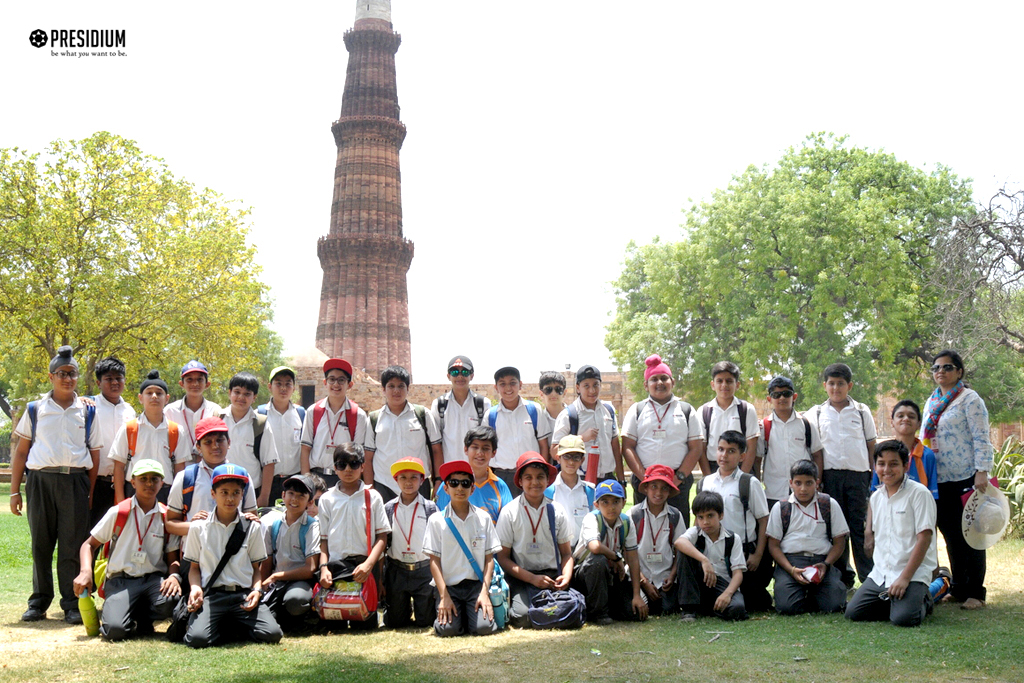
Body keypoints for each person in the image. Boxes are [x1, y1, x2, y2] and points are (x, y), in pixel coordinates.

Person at [11, 345, 101, 624]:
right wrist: (14, 491)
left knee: (72, 545)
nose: (67, 378)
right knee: (41, 543)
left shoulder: (87, 411)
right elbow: (21, 452)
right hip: (41, 481)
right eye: (62, 373)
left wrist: (89, 491)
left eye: (72, 373)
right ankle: (38, 601)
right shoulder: (35, 409)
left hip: (75, 480)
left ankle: (72, 603)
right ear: (51, 377)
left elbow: (94, 454)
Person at [73, 459, 179, 640]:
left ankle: (143, 617)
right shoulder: (119, 512)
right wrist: (85, 572)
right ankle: (122, 613)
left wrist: (174, 576)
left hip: (153, 580)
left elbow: (172, 558)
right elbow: (89, 545)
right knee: (115, 631)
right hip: (121, 580)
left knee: (171, 600)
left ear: (162, 483)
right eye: (143, 478)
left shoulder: (166, 516)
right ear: (133, 482)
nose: (149, 483)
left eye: (154, 479)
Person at [920, 350, 993, 610]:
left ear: (959, 371)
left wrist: (981, 470)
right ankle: (959, 587)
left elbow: (981, 437)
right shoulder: (932, 401)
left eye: (947, 367)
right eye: (936, 368)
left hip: (966, 477)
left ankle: (976, 592)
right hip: (939, 479)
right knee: (950, 534)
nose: (941, 371)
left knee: (972, 534)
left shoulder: (970, 399)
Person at [182, 463, 282, 647]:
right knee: (197, 639)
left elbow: (256, 569)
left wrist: (256, 590)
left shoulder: (252, 526)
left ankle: (227, 625)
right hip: (213, 595)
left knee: (272, 634)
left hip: (242, 595)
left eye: (236, 492)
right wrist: (196, 588)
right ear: (213, 494)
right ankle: (225, 625)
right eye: (224, 492)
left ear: (242, 495)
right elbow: (194, 568)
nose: (230, 498)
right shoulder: (198, 527)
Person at [845, 441, 937, 627]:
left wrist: (904, 578)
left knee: (904, 619)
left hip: (912, 573)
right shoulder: (876, 497)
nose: (886, 469)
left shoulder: (919, 494)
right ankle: (898, 602)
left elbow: (924, 538)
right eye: (881, 464)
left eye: (893, 464)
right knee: (853, 613)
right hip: (882, 573)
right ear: (875, 467)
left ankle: (924, 598)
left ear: (905, 466)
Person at [804, 363, 877, 588]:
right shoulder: (816, 413)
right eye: (832, 384)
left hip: (858, 476)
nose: (836, 388)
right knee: (836, 529)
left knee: (859, 527)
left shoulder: (862, 412)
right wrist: (818, 480)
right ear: (825, 385)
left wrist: (874, 477)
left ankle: (869, 578)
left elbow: (871, 445)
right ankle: (842, 579)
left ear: (849, 386)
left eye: (841, 384)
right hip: (830, 477)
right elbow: (814, 450)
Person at [621, 354, 703, 526]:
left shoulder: (686, 410)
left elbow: (696, 448)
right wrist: (645, 478)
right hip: (644, 483)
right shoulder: (637, 410)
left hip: (677, 483)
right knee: (642, 528)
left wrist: (678, 477)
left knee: (678, 528)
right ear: (646, 385)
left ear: (672, 382)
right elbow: (628, 447)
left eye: (664, 378)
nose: (659, 382)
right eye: (654, 379)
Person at [423, 460, 502, 637]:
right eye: (454, 483)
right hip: (449, 586)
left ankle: (470, 617)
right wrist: (443, 596)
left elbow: (489, 559)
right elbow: (434, 561)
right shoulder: (436, 520)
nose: (460, 488)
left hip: (476, 585)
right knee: (448, 630)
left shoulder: (483, 518)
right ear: (446, 488)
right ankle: (458, 617)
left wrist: (485, 592)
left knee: (484, 628)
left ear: (472, 489)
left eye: (465, 483)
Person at [495, 452, 575, 628]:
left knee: (570, 607)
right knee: (521, 617)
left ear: (547, 480)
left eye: (540, 477)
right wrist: (532, 578)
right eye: (528, 477)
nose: (535, 482)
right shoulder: (510, 512)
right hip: (523, 577)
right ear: (520, 481)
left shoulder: (557, 510)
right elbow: (503, 558)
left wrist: (566, 576)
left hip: (553, 577)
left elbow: (566, 554)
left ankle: (550, 613)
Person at [317, 442, 390, 630]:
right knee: (336, 626)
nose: (348, 469)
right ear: (335, 468)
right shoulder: (327, 499)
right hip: (336, 569)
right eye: (342, 465)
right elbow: (323, 540)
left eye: (354, 464)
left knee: (365, 626)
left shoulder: (373, 497)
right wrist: (324, 568)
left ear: (363, 466)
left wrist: (369, 565)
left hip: (364, 568)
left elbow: (382, 536)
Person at [697, 430, 772, 612]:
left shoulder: (748, 483)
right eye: (721, 449)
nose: (724, 455)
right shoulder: (705, 483)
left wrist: (758, 554)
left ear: (742, 456)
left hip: (743, 554)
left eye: (731, 451)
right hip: (712, 551)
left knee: (755, 604)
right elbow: (698, 519)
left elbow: (764, 520)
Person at [766, 460, 850, 615]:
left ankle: (815, 594)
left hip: (822, 561)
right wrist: (791, 570)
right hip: (791, 562)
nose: (803, 489)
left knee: (834, 606)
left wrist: (826, 564)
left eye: (809, 483)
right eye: (798, 483)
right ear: (791, 483)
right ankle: (803, 593)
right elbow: (773, 545)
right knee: (787, 607)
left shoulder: (829, 504)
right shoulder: (781, 508)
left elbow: (839, 542)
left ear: (817, 483)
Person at [165, 417, 259, 536]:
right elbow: (170, 524)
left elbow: (251, 518)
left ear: (229, 442)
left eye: (220, 440)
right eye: (208, 442)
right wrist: (198, 527)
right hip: (196, 546)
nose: (215, 446)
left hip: (233, 546)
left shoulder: (242, 477)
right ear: (198, 447)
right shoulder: (185, 477)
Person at [572, 480, 648, 624]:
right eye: (605, 502)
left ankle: (607, 607)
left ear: (623, 503)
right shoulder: (592, 518)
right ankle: (598, 613)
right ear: (596, 505)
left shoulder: (626, 522)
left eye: (616, 502)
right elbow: (595, 547)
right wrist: (616, 558)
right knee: (598, 560)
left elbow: (633, 559)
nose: (611, 507)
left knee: (635, 614)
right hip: (585, 575)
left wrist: (636, 595)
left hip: (611, 574)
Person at [108, 370, 189, 505]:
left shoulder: (176, 431)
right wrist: (121, 502)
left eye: (159, 393)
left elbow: (179, 470)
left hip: (165, 492)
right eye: (149, 393)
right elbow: (119, 467)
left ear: (167, 398)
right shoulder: (129, 429)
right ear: (141, 398)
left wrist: (177, 502)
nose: (154, 396)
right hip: (133, 491)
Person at [365, 365, 442, 503]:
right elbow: (368, 458)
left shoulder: (422, 415)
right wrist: (369, 489)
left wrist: (438, 480)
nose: (396, 391)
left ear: (408, 389)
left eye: (401, 386)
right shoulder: (374, 419)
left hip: (418, 484)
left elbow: (436, 450)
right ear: (383, 389)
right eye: (391, 386)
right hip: (385, 486)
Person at [258, 474, 320, 632]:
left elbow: (310, 569)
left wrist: (276, 576)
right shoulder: (273, 524)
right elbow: (266, 562)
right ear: (283, 495)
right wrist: (260, 589)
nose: (294, 499)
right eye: (291, 493)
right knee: (261, 613)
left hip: (300, 582)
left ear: (310, 502)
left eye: (301, 496)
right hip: (277, 583)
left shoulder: (312, 526)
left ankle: (302, 618)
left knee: (296, 600)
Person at [674, 491, 747, 622]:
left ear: (721, 515)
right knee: (684, 551)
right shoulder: (695, 533)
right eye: (700, 517)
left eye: (710, 516)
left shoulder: (732, 539)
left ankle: (706, 607)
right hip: (699, 581)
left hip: (722, 584)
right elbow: (679, 542)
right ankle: (689, 609)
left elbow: (738, 574)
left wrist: (727, 594)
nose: (705, 522)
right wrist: (704, 560)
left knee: (737, 609)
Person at [383, 457, 438, 628]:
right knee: (395, 623)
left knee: (426, 622)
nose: (408, 482)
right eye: (403, 477)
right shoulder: (389, 508)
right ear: (396, 480)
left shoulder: (430, 508)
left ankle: (421, 608)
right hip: (397, 570)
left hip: (423, 571)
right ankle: (401, 608)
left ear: (422, 480)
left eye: (414, 477)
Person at [300, 357, 368, 489]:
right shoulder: (313, 411)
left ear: (350, 385)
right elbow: (305, 448)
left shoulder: (358, 415)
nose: (336, 384)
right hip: (316, 478)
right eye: (332, 379)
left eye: (341, 380)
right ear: (325, 382)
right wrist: (307, 482)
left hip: (345, 479)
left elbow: (358, 453)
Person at [757, 375, 823, 510]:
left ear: (794, 396)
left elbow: (817, 455)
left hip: (803, 492)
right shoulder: (764, 427)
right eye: (776, 395)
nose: (782, 398)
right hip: (774, 491)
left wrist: (816, 483)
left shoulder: (806, 424)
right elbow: (757, 459)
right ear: (769, 399)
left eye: (786, 394)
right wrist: (758, 486)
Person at [550, 365, 624, 485]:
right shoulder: (569, 414)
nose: (592, 390)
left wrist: (621, 480)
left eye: (595, 385)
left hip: (607, 479)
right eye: (586, 386)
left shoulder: (608, 410)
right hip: (580, 480)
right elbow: (554, 452)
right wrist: (581, 438)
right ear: (578, 388)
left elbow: (615, 447)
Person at [488, 367, 553, 496]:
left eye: (513, 383)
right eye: (502, 384)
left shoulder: (534, 410)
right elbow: (487, 449)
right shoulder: (490, 416)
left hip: (531, 474)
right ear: (496, 388)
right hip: (502, 476)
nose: (508, 388)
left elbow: (543, 445)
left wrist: (542, 473)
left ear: (520, 385)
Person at [629, 465, 684, 616]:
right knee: (636, 610)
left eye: (664, 488)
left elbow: (680, 550)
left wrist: (672, 576)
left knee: (667, 609)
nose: (658, 493)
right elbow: (627, 553)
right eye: (654, 486)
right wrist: (643, 581)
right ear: (646, 488)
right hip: (639, 576)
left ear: (669, 491)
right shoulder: (633, 514)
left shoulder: (675, 516)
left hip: (664, 578)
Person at [218, 372, 279, 508]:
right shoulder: (218, 419)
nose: (241, 397)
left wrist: (264, 496)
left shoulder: (260, 424)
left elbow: (269, 463)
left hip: (250, 492)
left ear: (254, 397)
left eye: (247, 394)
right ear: (229, 393)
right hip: (220, 490)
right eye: (237, 392)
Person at [90, 356, 136, 527]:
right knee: (92, 531)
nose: (115, 382)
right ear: (98, 383)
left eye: (118, 378)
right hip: (96, 483)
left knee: (121, 532)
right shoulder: (89, 407)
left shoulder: (130, 411)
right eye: (109, 379)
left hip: (124, 485)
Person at [435, 425, 513, 524]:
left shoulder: (500, 486)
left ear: (494, 453)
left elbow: (508, 522)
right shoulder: (451, 484)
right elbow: (439, 520)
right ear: (466, 449)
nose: (480, 453)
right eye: (475, 447)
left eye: (485, 448)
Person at [698, 361, 758, 474]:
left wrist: (741, 477)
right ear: (712, 385)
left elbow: (752, 448)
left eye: (729, 381)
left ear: (737, 385)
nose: (724, 385)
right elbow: (701, 448)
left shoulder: (746, 409)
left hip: (741, 467)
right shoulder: (704, 411)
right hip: (713, 467)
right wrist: (708, 477)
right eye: (719, 381)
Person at [870, 400, 938, 499]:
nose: (906, 419)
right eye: (900, 416)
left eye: (911, 416)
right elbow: (875, 490)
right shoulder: (882, 452)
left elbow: (932, 493)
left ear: (919, 424)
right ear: (892, 422)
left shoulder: (927, 455)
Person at [430, 355, 490, 464]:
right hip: (450, 468)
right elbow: (436, 444)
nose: (460, 376)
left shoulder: (482, 404)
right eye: (455, 372)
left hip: (475, 469)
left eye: (465, 372)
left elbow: (487, 441)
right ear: (448, 376)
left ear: (472, 376)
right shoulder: (439, 405)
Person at [260, 366, 306, 506]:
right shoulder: (261, 414)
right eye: (278, 384)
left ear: (294, 388)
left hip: (294, 481)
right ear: (270, 386)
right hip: (268, 482)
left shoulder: (301, 414)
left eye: (288, 384)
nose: (283, 388)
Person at [544, 435, 596, 542]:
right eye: (566, 457)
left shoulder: (589, 492)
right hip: (556, 548)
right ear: (558, 458)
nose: (571, 462)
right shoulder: (548, 492)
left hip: (583, 548)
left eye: (576, 457)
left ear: (582, 460)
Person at [164, 360, 222, 457]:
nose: (195, 384)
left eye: (200, 379)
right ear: (181, 384)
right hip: (177, 464)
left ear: (207, 384)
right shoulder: (170, 411)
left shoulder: (215, 411)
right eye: (189, 379)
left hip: (206, 463)